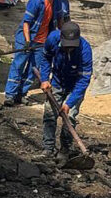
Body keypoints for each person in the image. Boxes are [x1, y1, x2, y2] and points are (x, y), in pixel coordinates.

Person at [39, 20, 93, 165]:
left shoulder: (85, 50)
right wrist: (44, 79)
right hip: (57, 81)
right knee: (50, 114)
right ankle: (48, 148)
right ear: (61, 39)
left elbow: (84, 80)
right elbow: (45, 58)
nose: (69, 50)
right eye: (66, 47)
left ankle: (64, 150)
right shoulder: (52, 39)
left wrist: (69, 103)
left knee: (70, 118)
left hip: (75, 86)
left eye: (72, 47)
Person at [3, 0, 61, 107]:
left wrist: (58, 38)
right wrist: (28, 42)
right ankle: (10, 95)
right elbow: (26, 23)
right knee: (18, 66)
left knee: (33, 69)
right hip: (26, 38)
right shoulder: (36, 1)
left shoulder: (57, 2)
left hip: (42, 41)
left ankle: (21, 94)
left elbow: (58, 21)